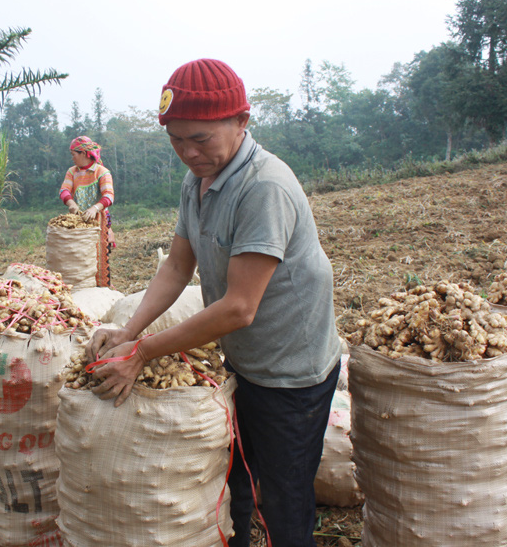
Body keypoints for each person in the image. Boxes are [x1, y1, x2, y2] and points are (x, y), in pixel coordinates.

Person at [85, 58, 342, 547]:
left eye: (200, 138)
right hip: (244, 361)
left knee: (285, 502)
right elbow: (178, 266)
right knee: (236, 481)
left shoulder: (263, 187)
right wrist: (129, 331)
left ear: (242, 122)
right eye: (176, 139)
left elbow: (239, 307)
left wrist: (141, 354)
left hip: (292, 372)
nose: (187, 152)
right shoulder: (198, 180)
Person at [59, 136, 116, 287]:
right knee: (78, 259)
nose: (72, 158)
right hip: (78, 222)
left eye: (74, 154)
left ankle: (102, 289)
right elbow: (64, 190)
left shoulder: (102, 172)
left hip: (99, 221)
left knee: (99, 259)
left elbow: (109, 196)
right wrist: (71, 204)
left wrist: (94, 208)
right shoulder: (72, 172)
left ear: (84, 153)